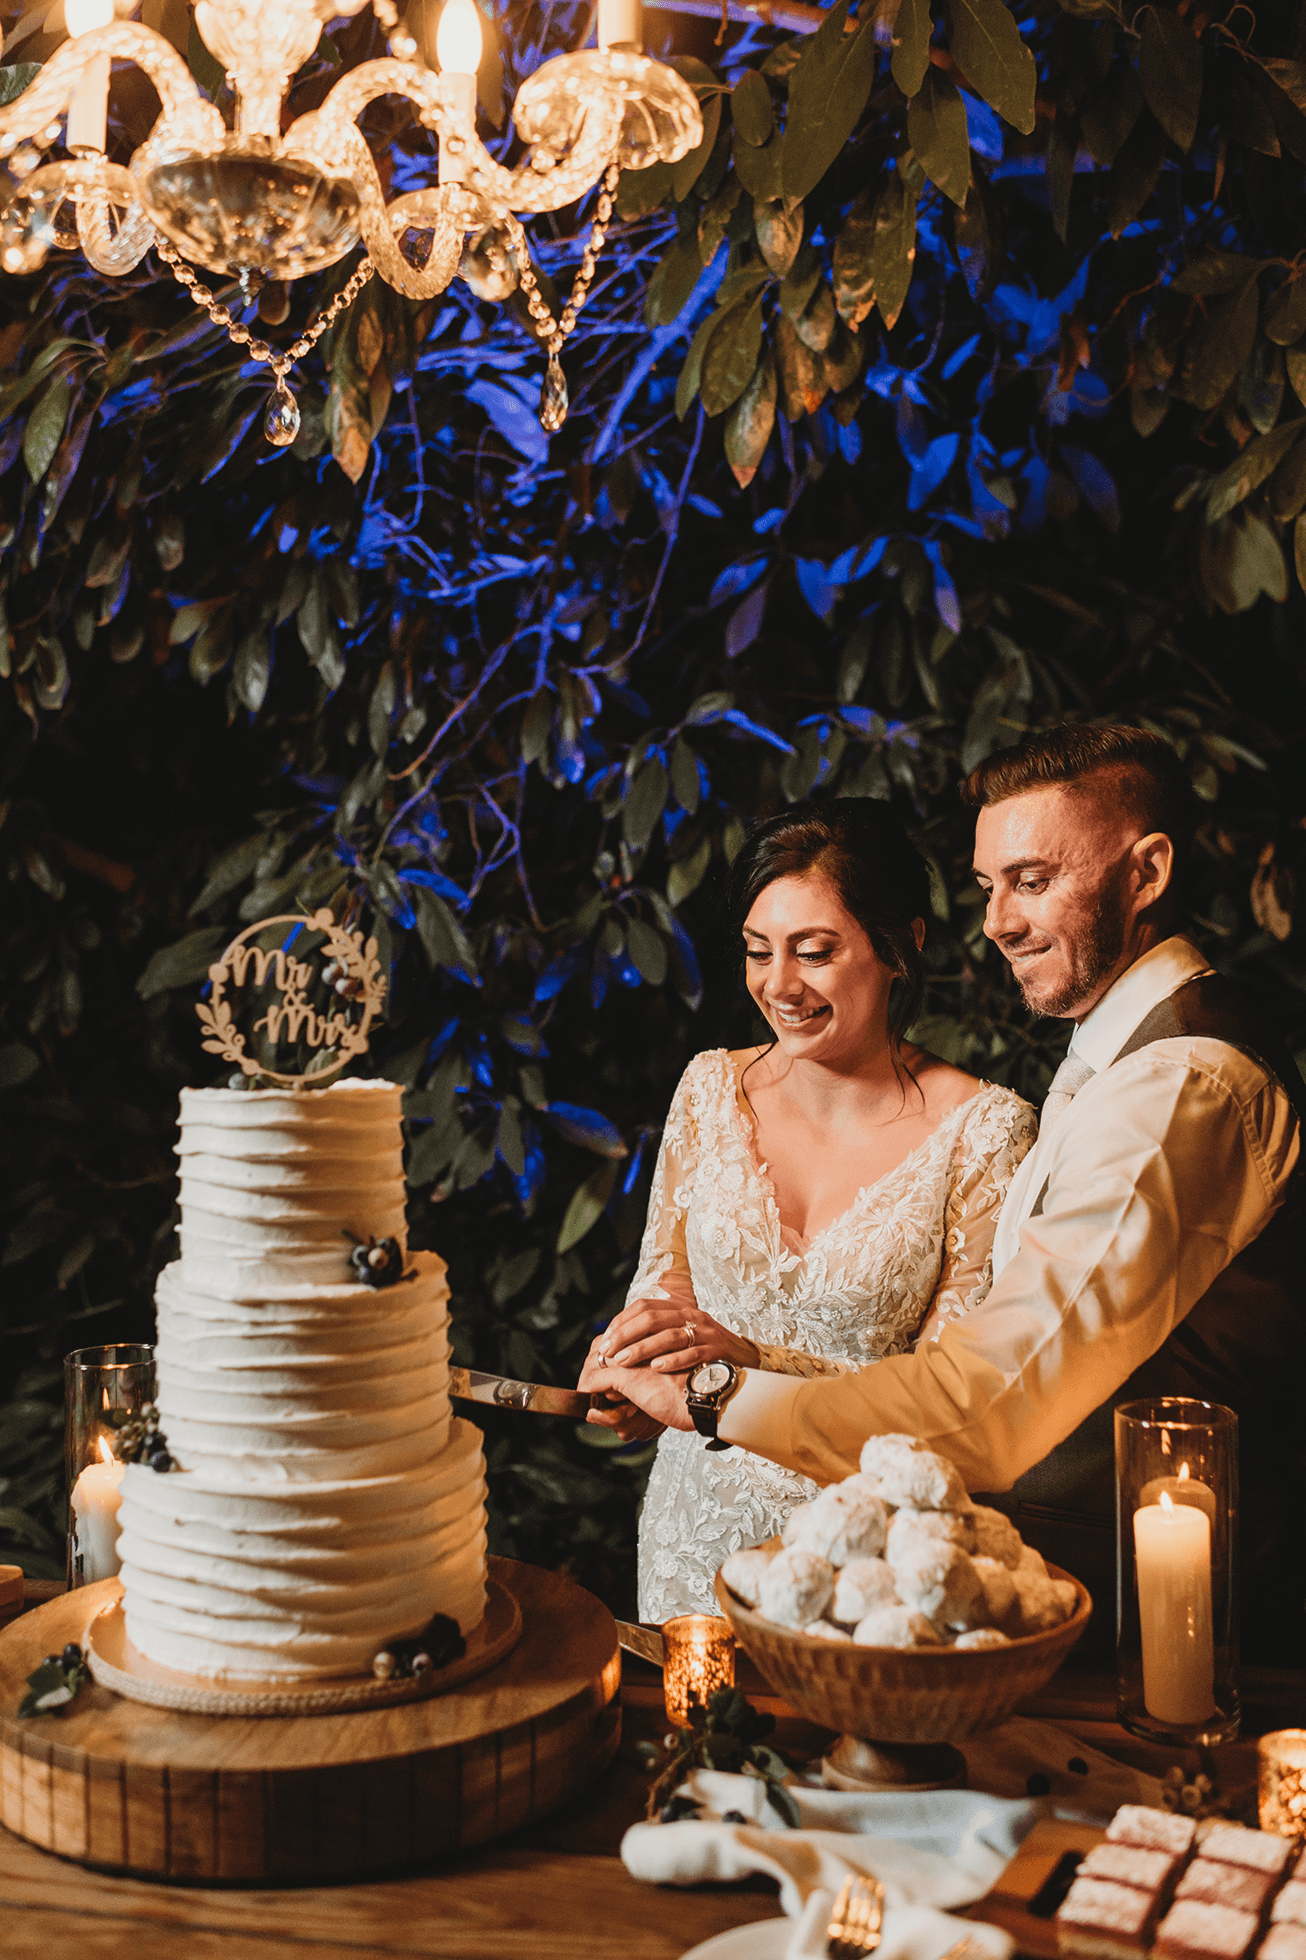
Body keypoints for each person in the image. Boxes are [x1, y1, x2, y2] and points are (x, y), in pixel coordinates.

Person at [585, 725, 1304, 1659]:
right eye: (988, 886)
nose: (999, 920)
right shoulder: (1115, 1067)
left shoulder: (1179, 1086)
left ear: (1148, 872)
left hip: (1152, 1616)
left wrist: (719, 1391)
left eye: (1034, 880)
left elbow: (985, 1403)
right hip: (1012, 1583)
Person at [598, 799, 1038, 1619]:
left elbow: (954, 1405)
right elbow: (661, 1295)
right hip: (693, 1535)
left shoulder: (985, 1132)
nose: (779, 984)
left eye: (815, 952)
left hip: (864, 1560)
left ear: (901, 947)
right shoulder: (709, 1088)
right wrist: (631, 1365)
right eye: (759, 952)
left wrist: (745, 1365)